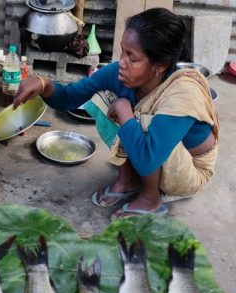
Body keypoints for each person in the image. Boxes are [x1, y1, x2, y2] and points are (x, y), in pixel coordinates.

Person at [14, 8, 219, 218]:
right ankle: (127, 179)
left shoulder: (183, 93)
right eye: (123, 51)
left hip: (190, 171)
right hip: (153, 156)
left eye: (133, 58)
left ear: (160, 65)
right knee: (104, 98)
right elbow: (69, 97)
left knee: (140, 118)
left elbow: (148, 158)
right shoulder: (118, 73)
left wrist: (123, 109)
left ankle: (151, 198)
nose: (122, 62)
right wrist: (42, 84)